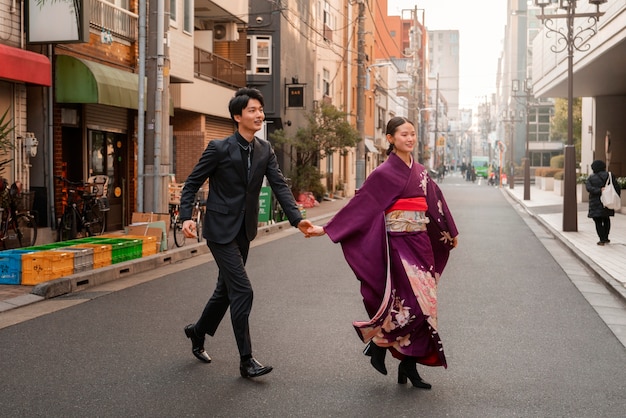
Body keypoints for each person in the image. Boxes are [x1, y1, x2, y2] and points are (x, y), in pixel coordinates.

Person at [306, 116, 459, 389]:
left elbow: (435, 204)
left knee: (426, 305)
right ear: (390, 139)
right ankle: (384, 348)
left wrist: (449, 232)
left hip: (421, 243)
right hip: (398, 247)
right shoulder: (383, 173)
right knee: (408, 305)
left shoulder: (421, 173)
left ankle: (402, 363)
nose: (409, 138)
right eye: (403, 134)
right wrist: (325, 229)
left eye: (412, 134)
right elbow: (361, 206)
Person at [179, 87, 313, 378]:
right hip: (219, 230)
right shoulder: (219, 148)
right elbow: (191, 183)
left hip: (244, 231)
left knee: (225, 291)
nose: (259, 114)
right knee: (242, 290)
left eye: (260, 110)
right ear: (237, 116)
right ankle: (246, 360)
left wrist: (297, 219)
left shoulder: (265, 150)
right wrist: (186, 217)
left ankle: (197, 331)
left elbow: (279, 185)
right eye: (252, 110)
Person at [586, 159, 620, 245]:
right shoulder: (609, 175)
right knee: (606, 219)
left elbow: (589, 188)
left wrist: (599, 190)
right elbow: (616, 187)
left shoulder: (591, 177)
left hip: (595, 202)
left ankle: (601, 239)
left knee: (597, 221)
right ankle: (606, 237)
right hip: (607, 201)